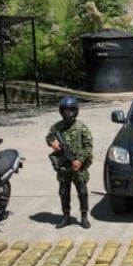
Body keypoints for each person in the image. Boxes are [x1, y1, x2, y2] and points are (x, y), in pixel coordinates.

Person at [46, 96, 93, 229]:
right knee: (63, 192)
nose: (68, 113)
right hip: (63, 167)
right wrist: (52, 143)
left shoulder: (81, 127)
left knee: (82, 192)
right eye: (65, 110)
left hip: (78, 166)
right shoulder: (56, 127)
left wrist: (80, 160)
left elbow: (88, 146)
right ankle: (66, 217)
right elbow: (49, 137)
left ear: (75, 111)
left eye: (70, 110)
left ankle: (84, 217)